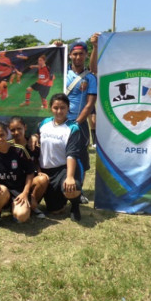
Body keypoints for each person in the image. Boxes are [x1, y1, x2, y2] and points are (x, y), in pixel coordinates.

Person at [38, 93, 84, 221]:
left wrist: (69, 177)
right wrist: (33, 137)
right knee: (54, 210)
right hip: (44, 171)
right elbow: (36, 138)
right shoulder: (44, 123)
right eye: (55, 107)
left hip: (61, 170)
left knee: (71, 186)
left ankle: (75, 206)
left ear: (68, 108)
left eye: (62, 107)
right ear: (51, 108)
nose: (59, 111)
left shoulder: (73, 127)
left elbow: (71, 153)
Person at [66, 41, 97, 203]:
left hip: (79, 123)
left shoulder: (90, 78)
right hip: (59, 122)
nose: (78, 57)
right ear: (70, 55)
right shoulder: (61, 73)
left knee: (80, 157)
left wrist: (77, 123)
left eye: (81, 54)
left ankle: (79, 189)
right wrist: (56, 47)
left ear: (85, 55)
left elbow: (90, 104)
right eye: (75, 54)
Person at [8, 116, 48, 218]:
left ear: (25, 127)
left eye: (19, 128)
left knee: (43, 179)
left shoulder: (33, 144)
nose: (16, 132)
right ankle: (17, 206)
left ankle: (32, 205)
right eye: (13, 130)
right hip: (14, 184)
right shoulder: (7, 147)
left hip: (29, 181)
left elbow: (36, 160)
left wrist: (38, 170)